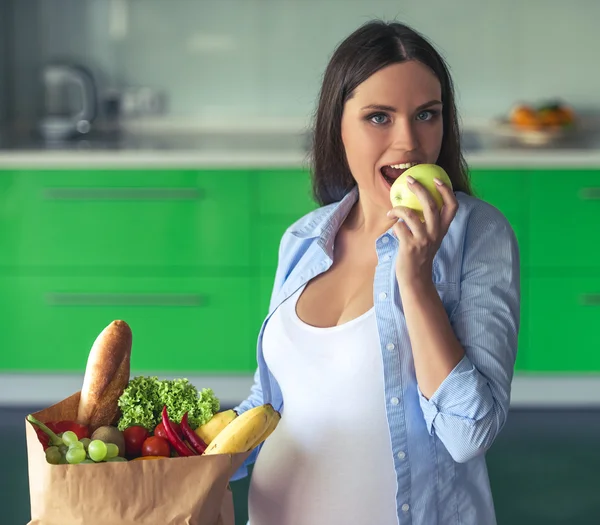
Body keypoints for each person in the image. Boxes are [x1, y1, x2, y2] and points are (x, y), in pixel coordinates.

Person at [232, 19, 520, 525]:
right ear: (337, 126)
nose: (408, 142)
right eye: (379, 117)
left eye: (426, 114)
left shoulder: (478, 235)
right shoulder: (304, 239)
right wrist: (172, 451)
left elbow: (467, 434)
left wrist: (415, 278)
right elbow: (271, 401)